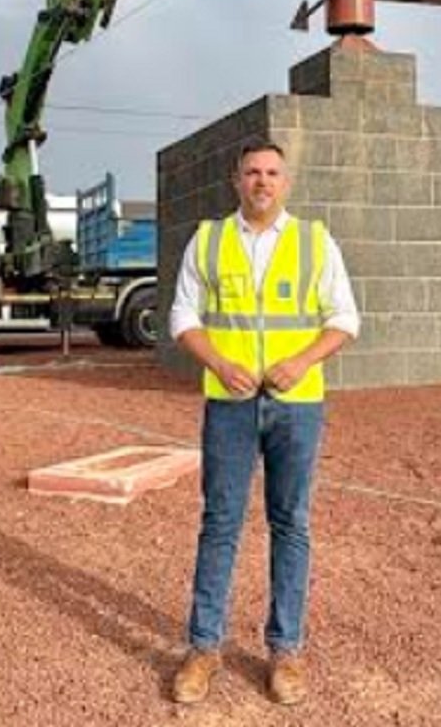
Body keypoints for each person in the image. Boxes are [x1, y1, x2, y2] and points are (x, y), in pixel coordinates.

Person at [168, 141, 359, 707]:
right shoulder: (208, 240)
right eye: (252, 172)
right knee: (220, 522)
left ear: (287, 182)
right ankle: (204, 648)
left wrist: (301, 362)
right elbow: (183, 314)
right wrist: (219, 363)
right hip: (228, 403)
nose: (262, 181)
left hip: (296, 404)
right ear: (236, 180)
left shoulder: (314, 242)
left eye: (272, 173)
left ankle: (286, 651)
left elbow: (345, 318)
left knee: (291, 523)